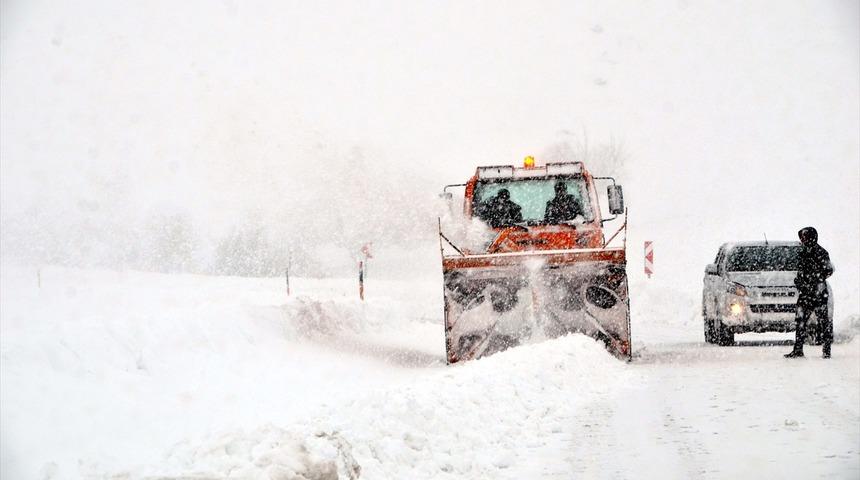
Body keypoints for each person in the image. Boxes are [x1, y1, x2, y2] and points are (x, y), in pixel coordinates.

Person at [785, 226, 834, 358]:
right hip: (806, 293)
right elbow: (801, 271)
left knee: (823, 322)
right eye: (801, 237)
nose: (802, 239)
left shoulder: (821, 252)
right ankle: (798, 349)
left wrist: (814, 279)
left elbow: (828, 270)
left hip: (818, 293)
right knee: (800, 320)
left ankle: (826, 350)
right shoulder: (803, 252)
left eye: (804, 237)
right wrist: (799, 280)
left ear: (811, 237)